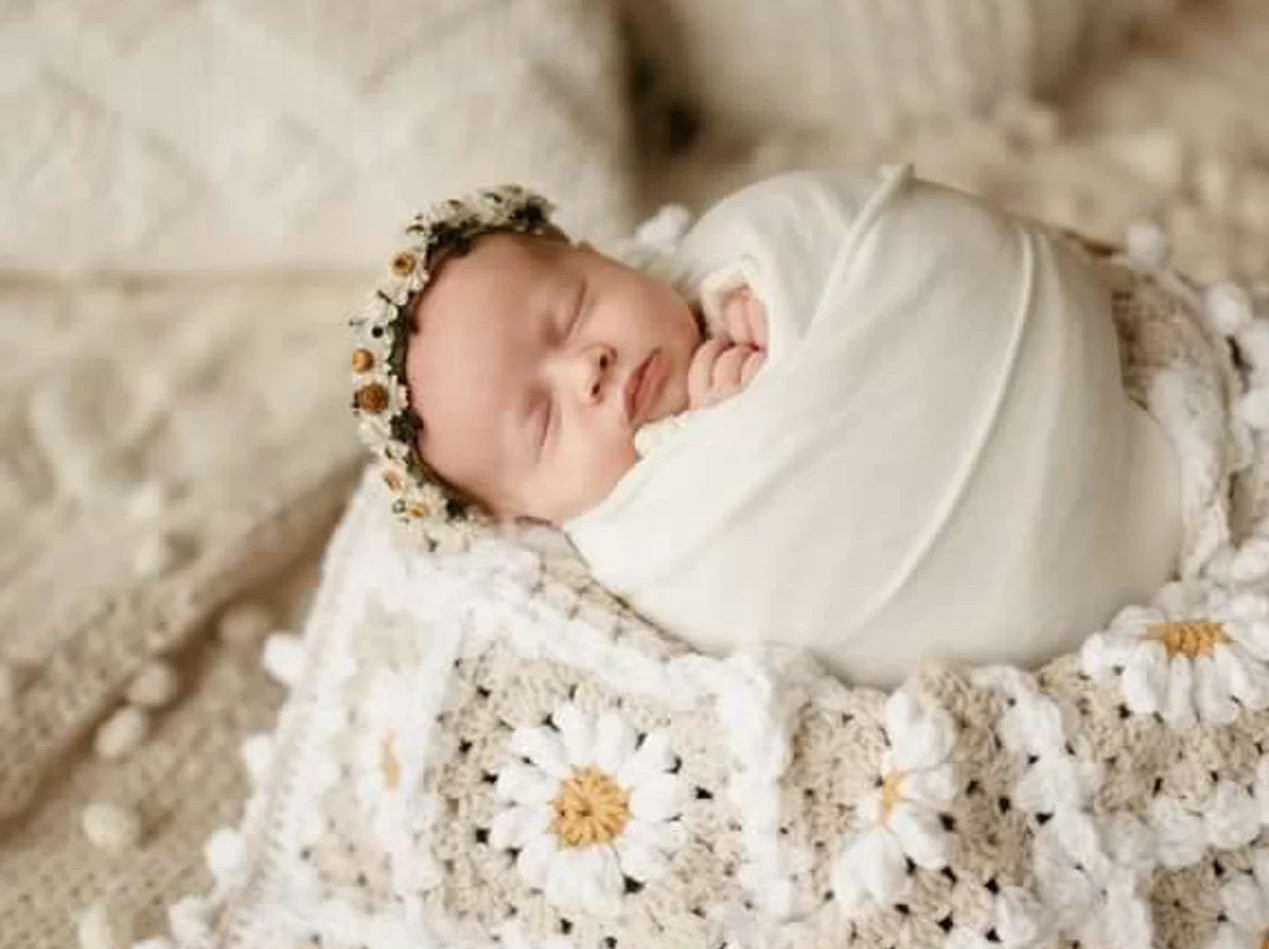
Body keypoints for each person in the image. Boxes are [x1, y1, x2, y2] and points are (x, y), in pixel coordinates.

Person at [348, 170, 1184, 685]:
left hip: (1057, 423)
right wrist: (728, 427)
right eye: (541, 421)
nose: (588, 368)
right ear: (528, 516)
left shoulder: (749, 248)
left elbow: (919, 250)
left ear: (602, 255)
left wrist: (780, 323)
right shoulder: (645, 543)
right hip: (987, 618)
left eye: (572, 311)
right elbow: (770, 589)